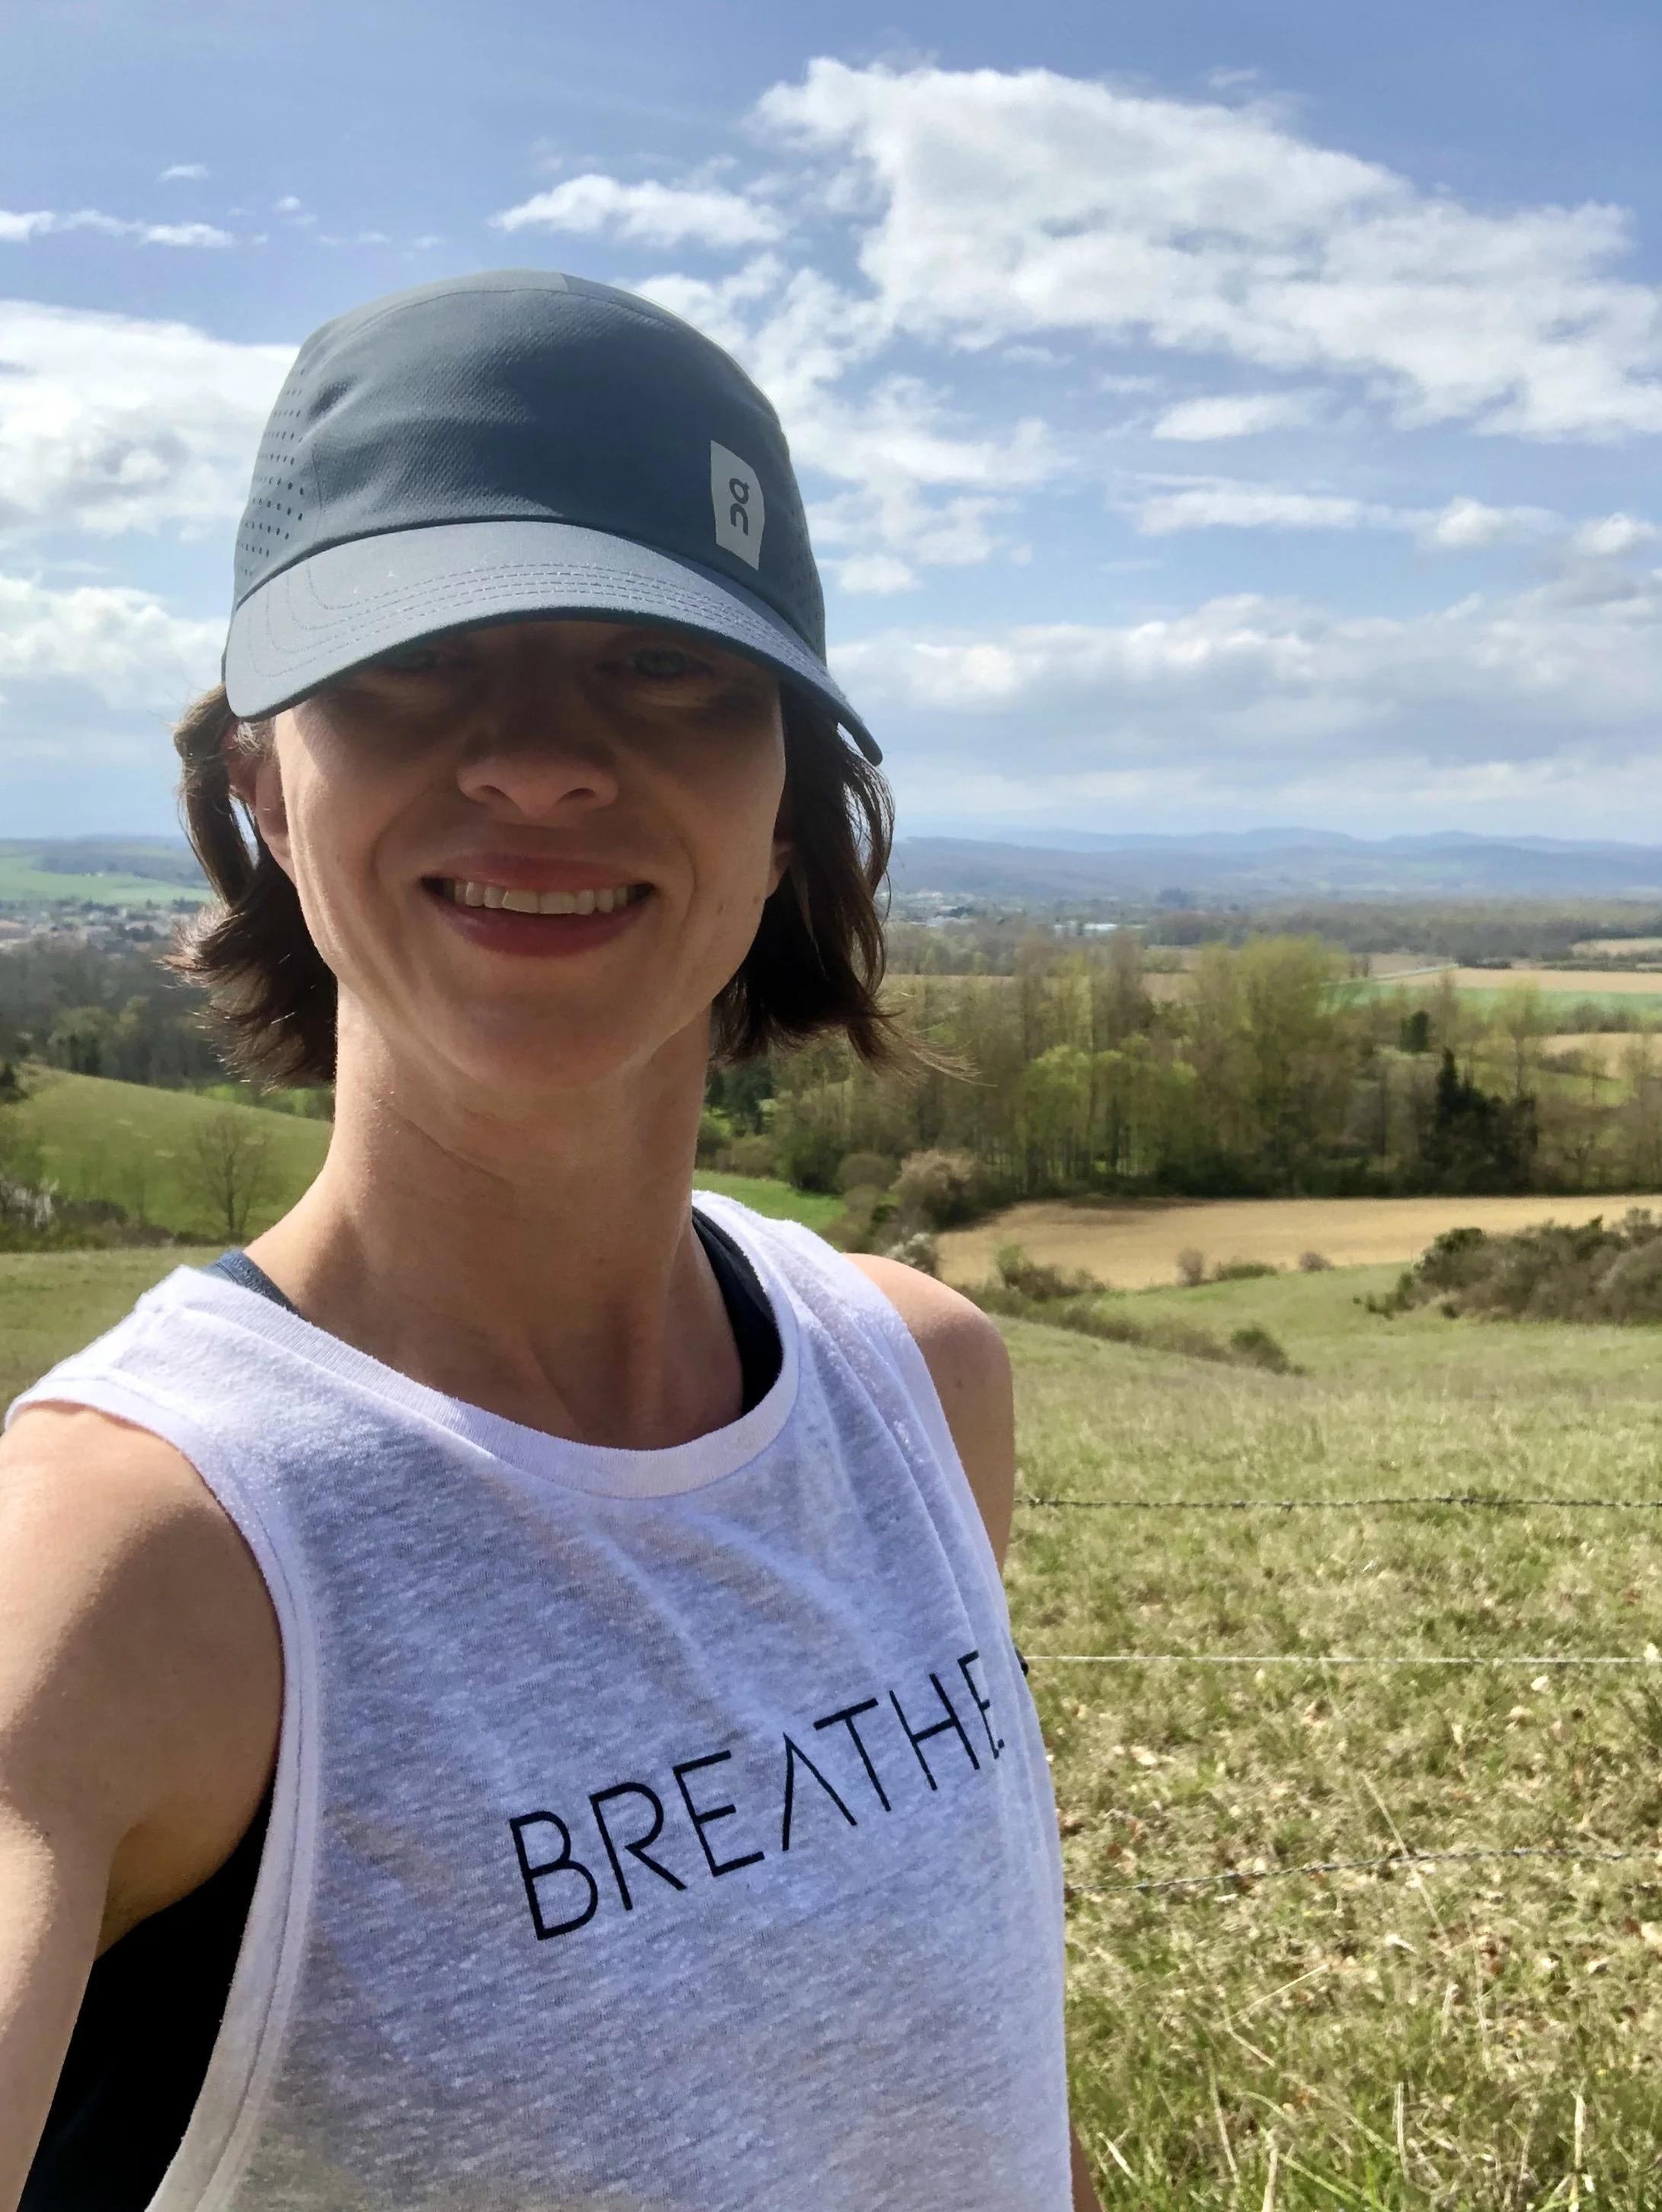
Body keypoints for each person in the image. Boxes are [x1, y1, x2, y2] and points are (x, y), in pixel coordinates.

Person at [0, 270, 1101, 2211]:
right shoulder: (131, 1556)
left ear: (784, 811)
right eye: (413, 660)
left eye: (661, 665)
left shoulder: (918, 1386)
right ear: (263, 787)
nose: (533, 760)